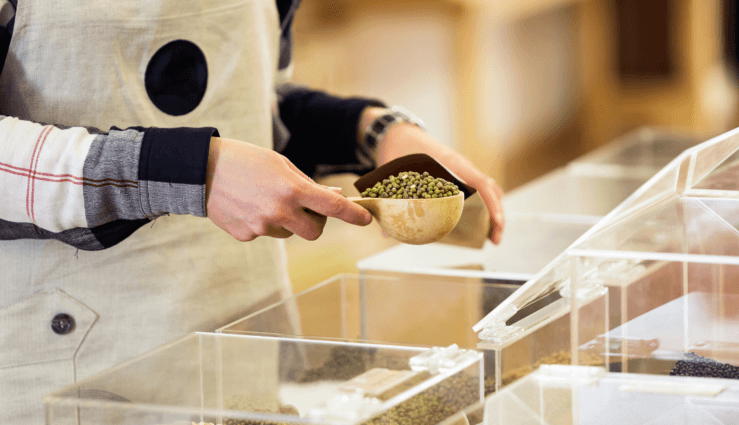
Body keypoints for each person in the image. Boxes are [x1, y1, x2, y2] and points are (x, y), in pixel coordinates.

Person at [0, 0, 505, 423]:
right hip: (72, 364)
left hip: (243, 335)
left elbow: (248, 97)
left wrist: (372, 131)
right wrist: (192, 172)